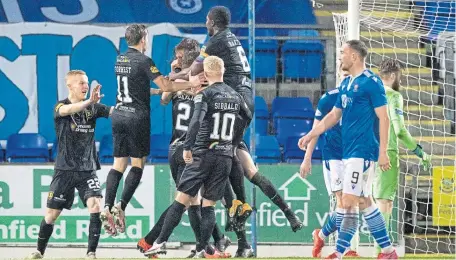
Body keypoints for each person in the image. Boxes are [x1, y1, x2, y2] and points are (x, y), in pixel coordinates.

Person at [171, 6, 303, 256]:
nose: (206, 24)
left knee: (224, 159)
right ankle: (285, 217)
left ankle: (239, 216)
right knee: (247, 168)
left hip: (233, 105)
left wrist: (172, 75)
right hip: (243, 104)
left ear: (212, 22)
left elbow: (191, 74)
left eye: (207, 21)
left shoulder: (213, 45)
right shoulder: (231, 39)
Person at [298, 40, 398, 259]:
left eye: (342, 52)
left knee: (349, 202)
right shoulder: (345, 85)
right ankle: (389, 252)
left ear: (354, 56)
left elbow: (384, 118)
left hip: (363, 151)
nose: (339, 56)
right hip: (348, 152)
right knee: (364, 201)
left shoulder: (371, 82)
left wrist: (382, 152)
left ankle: (338, 252)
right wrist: (311, 134)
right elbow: (333, 116)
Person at [144, 56, 251, 258]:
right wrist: (233, 141)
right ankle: (203, 248)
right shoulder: (235, 95)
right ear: (223, 69)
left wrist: (188, 147)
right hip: (225, 156)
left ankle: (159, 243)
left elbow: (195, 122)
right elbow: (247, 116)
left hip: (202, 154)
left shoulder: (205, 95)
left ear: (207, 73)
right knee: (209, 204)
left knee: (182, 199)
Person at [101, 24, 201, 236]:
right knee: (137, 164)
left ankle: (107, 205)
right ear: (143, 39)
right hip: (136, 117)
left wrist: (154, 92)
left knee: (118, 163)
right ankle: (122, 205)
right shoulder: (144, 60)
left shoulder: (120, 59)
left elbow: (135, 87)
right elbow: (167, 86)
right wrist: (189, 84)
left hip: (118, 114)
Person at [28, 70, 113, 259]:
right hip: (64, 169)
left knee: (95, 206)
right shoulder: (61, 106)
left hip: (87, 169)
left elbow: (115, 112)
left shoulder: (94, 107)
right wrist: (90, 101)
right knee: (51, 215)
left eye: (86, 82)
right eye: (81, 83)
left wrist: (131, 110)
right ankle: (39, 251)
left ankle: (91, 253)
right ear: (70, 86)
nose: (85, 86)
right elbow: (68, 110)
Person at [373, 58, 431, 254]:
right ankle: (380, 252)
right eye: (399, 77)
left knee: (365, 202)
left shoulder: (370, 93)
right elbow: (399, 131)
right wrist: (418, 151)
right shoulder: (393, 96)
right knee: (384, 202)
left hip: (365, 151)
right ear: (392, 76)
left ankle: (380, 251)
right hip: (386, 152)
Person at [300, 69, 360, 258]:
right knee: (344, 202)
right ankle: (343, 247)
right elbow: (316, 129)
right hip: (334, 157)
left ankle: (323, 235)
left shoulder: (361, 98)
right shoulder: (328, 99)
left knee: (352, 204)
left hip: (353, 155)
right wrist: (307, 158)